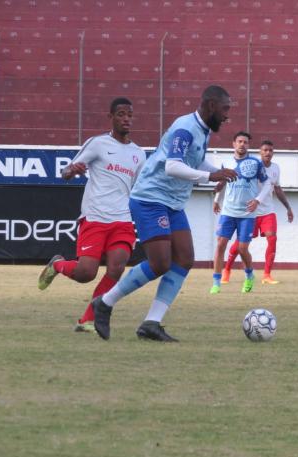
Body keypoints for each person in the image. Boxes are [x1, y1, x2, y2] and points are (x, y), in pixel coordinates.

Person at [90, 85, 237, 341]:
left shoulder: (201, 130)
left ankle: (151, 323)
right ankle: (104, 302)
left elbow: (194, 160)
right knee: (160, 263)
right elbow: (172, 166)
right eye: (225, 109)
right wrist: (210, 175)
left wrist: (216, 172)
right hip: (150, 199)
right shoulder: (186, 128)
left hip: (173, 203)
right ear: (211, 105)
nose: (227, 116)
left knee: (184, 259)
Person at [37, 97, 145, 332]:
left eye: (129, 114)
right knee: (86, 273)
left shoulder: (139, 154)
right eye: (121, 114)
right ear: (111, 117)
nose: (126, 118)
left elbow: (136, 189)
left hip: (123, 220)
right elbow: (65, 171)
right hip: (95, 217)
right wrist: (72, 170)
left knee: (116, 269)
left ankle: (88, 319)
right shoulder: (97, 144)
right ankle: (57, 266)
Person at [220, 139, 294, 285]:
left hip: (268, 211)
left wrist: (288, 207)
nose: (268, 153)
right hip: (250, 212)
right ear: (260, 152)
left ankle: (267, 275)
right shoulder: (252, 166)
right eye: (265, 150)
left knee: (272, 238)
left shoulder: (276, 168)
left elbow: (277, 188)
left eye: (270, 150)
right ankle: (226, 270)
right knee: (240, 245)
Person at [210, 131, 272, 294]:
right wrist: (217, 200)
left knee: (242, 249)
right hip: (228, 211)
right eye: (240, 141)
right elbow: (223, 182)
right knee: (220, 244)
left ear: (248, 145)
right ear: (234, 144)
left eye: (245, 142)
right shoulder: (226, 162)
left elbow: (267, 184)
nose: (242, 144)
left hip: (247, 214)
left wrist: (257, 200)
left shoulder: (255, 163)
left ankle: (249, 275)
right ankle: (216, 282)